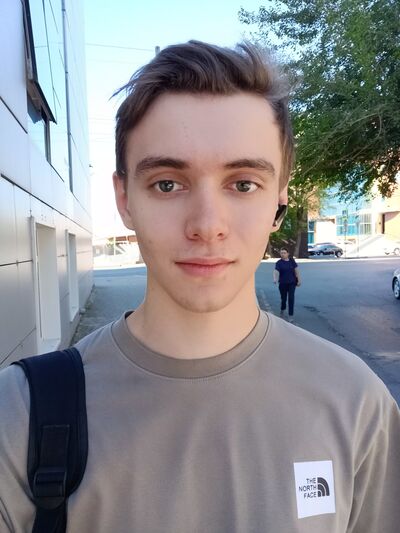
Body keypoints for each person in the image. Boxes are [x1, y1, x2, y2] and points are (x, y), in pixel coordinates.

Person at [1, 40, 400, 533]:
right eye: (168, 183)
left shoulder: (357, 403)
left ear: (279, 197)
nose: (207, 226)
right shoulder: (19, 416)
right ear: (124, 199)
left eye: (243, 184)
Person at [273, 247, 301, 322]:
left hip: (292, 283)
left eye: (284, 253)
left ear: (288, 254)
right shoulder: (279, 262)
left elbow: (296, 270)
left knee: (291, 298)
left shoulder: (292, 261)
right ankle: (282, 309)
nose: (283, 254)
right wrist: (275, 279)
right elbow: (275, 271)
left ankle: (290, 315)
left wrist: (299, 280)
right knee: (283, 298)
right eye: (281, 253)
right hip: (283, 283)